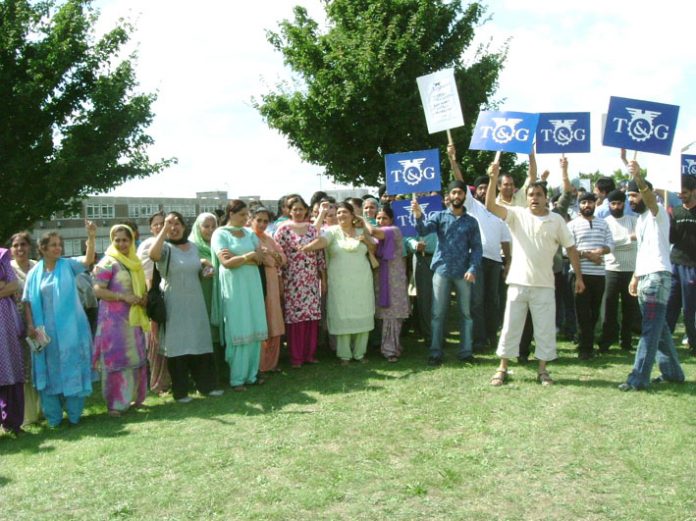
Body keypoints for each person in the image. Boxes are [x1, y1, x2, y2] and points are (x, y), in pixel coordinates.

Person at [485, 162, 584, 386]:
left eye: (538, 194)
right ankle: (502, 368)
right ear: (526, 197)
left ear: (545, 197)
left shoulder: (556, 220)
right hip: (518, 283)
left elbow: (570, 248)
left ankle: (542, 371)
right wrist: (493, 178)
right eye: (530, 194)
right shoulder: (517, 215)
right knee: (510, 326)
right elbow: (490, 205)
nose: (534, 198)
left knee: (545, 329)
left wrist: (578, 277)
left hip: (545, 284)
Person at [22, 222, 96, 427]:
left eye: (59, 244)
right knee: (50, 370)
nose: (58, 248)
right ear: (43, 249)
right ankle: (54, 417)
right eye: (53, 245)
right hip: (45, 334)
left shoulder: (68, 265)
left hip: (71, 331)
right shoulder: (34, 273)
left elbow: (88, 260)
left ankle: (74, 415)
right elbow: (27, 301)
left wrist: (90, 237)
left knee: (72, 366)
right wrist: (30, 325)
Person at [619, 162, 685, 390]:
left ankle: (638, 379)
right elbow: (644, 251)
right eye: (628, 196)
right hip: (646, 277)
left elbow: (648, 197)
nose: (631, 200)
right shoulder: (640, 221)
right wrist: (635, 277)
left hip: (658, 278)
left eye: (634, 195)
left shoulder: (657, 212)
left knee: (649, 329)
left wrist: (638, 178)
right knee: (659, 330)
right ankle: (674, 373)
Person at [149, 212, 220, 402]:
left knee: (199, 342)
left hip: (195, 301)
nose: (174, 227)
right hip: (174, 302)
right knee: (178, 346)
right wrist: (163, 230)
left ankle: (206, 386)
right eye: (169, 223)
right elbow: (153, 255)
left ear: (184, 225)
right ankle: (180, 391)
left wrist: (207, 269)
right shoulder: (164, 248)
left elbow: (199, 270)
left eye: (177, 223)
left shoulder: (194, 247)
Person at [412, 181, 483, 365]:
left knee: (466, 314)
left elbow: (476, 248)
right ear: (449, 196)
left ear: (464, 196)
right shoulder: (439, 216)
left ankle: (466, 352)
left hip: (463, 273)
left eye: (460, 193)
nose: (457, 196)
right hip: (442, 270)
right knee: (437, 314)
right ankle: (435, 353)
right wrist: (418, 215)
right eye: (454, 193)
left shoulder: (471, 222)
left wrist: (472, 268)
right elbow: (422, 230)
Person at [300, 202, 375, 364]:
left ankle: (360, 353)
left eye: (344, 212)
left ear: (352, 215)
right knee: (342, 314)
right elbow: (322, 243)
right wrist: (306, 248)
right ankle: (345, 355)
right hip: (340, 282)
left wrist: (366, 240)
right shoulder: (331, 232)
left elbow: (373, 249)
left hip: (362, 280)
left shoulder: (361, 231)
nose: (341, 215)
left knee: (362, 312)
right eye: (338, 213)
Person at [92, 225, 150, 416]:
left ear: (132, 240)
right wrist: (122, 297)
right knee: (117, 360)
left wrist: (142, 298)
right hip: (113, 322)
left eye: (125, 240)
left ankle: (135, 398)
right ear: (112, 241)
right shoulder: (108, 262)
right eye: (117, 240)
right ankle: (115, 404)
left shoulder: (135, 261)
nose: (121, 243)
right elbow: (98, 290)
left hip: (133, 319)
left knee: (136, 358)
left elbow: (141, 287)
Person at [211, 200, 268, 390]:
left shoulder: (249, 233)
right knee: (239, 326)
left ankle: (252, 375)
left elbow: (260, 259)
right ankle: (237, 378)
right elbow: (226, 263)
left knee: (254, 325)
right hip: (234, 287)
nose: (246, 219)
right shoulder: (220, 234)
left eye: (247, 215)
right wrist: (247, 256)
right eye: (242, 215)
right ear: (231, 213)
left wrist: (242, 259)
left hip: (252, 285)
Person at [274, 196, 325, 368]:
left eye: (301, 209)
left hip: (310, 280)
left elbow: (319, 255)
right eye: (294, 209)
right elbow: (278, 255)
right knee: (296, 319)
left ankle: (309, 354)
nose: (298, 212)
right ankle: (296, 357)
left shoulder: (312, 229)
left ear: (306, 210)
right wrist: (280, 278)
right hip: (292, 280)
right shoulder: (283, 229)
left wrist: (322, 278)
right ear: (288, 211)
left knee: (311, 317)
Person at [567, 192, 614, 360]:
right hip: (579, 275)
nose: (587, 205)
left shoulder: (604, 224)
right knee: (582, 313)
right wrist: (588, 255)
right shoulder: (572, 225)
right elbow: (568, 250)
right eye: (584, 202)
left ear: (595, 204)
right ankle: (585, 349)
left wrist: (601, 251)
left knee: (594, 313)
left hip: (599, 274)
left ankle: (586, 342)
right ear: (579, 205)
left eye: (590, 202)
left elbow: (610, 244)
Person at [598, 189, 641, 353]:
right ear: (609, 204)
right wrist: (629, 238)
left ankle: (626, 341)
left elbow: (639, 239)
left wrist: (618, 243)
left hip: (631, 270)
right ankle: (606, 341)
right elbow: (609, 245)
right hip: (611, 269)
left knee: (629, 308)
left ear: (624, 204)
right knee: (609, 307)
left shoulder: (633, 220)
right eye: (613, 203)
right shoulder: (605, 222)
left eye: (619, 203)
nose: (616, 206)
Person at [189, 212, 228, 384]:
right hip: (200, 295)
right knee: (205, 333)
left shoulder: (218, 244)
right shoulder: (191, 246)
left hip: (218, 294)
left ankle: (222, 372)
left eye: (214, 226)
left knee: (219, 333)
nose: (210, 230)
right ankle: (205, 376)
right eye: (206, 226)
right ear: (198, 227)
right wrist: (203, 263)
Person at [136, 211, 171, 394]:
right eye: (156, 224)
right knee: (156, 341)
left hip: (167, 295)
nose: (159, 227)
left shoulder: (170, 244)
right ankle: (158, 383)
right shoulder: (149, 244)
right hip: (154, 297)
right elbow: (148, 275)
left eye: (163, 223)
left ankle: (165, 380)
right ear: (151, 228)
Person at [9, 232, 41, 425]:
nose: (20, 248)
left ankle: (42, 409)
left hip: (39, 321)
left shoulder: (36, 266)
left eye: (23, 244)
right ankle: (28, 414)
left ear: (29, 246)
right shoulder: (7, 268)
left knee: (39, 363)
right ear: (11, 249)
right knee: (23, 367)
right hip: (16, 323)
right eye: (16, 245)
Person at [370, 207, 409, 362]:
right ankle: (390, 346)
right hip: (380, 279)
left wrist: (363, 222)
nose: (381, 221)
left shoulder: (394, 231)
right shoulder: (377, 238)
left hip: (395, 280)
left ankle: (390, 350)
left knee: (393, 315)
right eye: (378, 218)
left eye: (384, 218)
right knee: (384, 315)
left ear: (391, 220)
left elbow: (374, 232)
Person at [250, 207, 287, 374]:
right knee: (259, 319)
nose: (263, 224)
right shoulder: (248, 237)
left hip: (272, 281)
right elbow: (264, 259)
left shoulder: (269, 238)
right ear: (251, 219)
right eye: (259, 220)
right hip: (256, 281)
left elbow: (282, 259)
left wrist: (272, 255)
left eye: (266, 221)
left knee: (273, 320)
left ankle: (271, 363)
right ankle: (258, 364)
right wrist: (272, 258)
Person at [666, 175, 696, 356]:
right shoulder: (675, 212)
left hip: (692, 266)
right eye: (678, 192)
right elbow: (672, 238)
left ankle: (692, 341)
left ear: (693, 191)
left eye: (684, 192)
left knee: (689, 308)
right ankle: (665, 341)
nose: (680, 195)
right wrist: (669, 224)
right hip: (675, 263)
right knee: (670, 305)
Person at [0, 246, 25, 435]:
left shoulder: (2, 256)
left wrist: (5, 286)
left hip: (4, 323)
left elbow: (13, 285)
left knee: (10, 367)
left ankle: (12, 422)